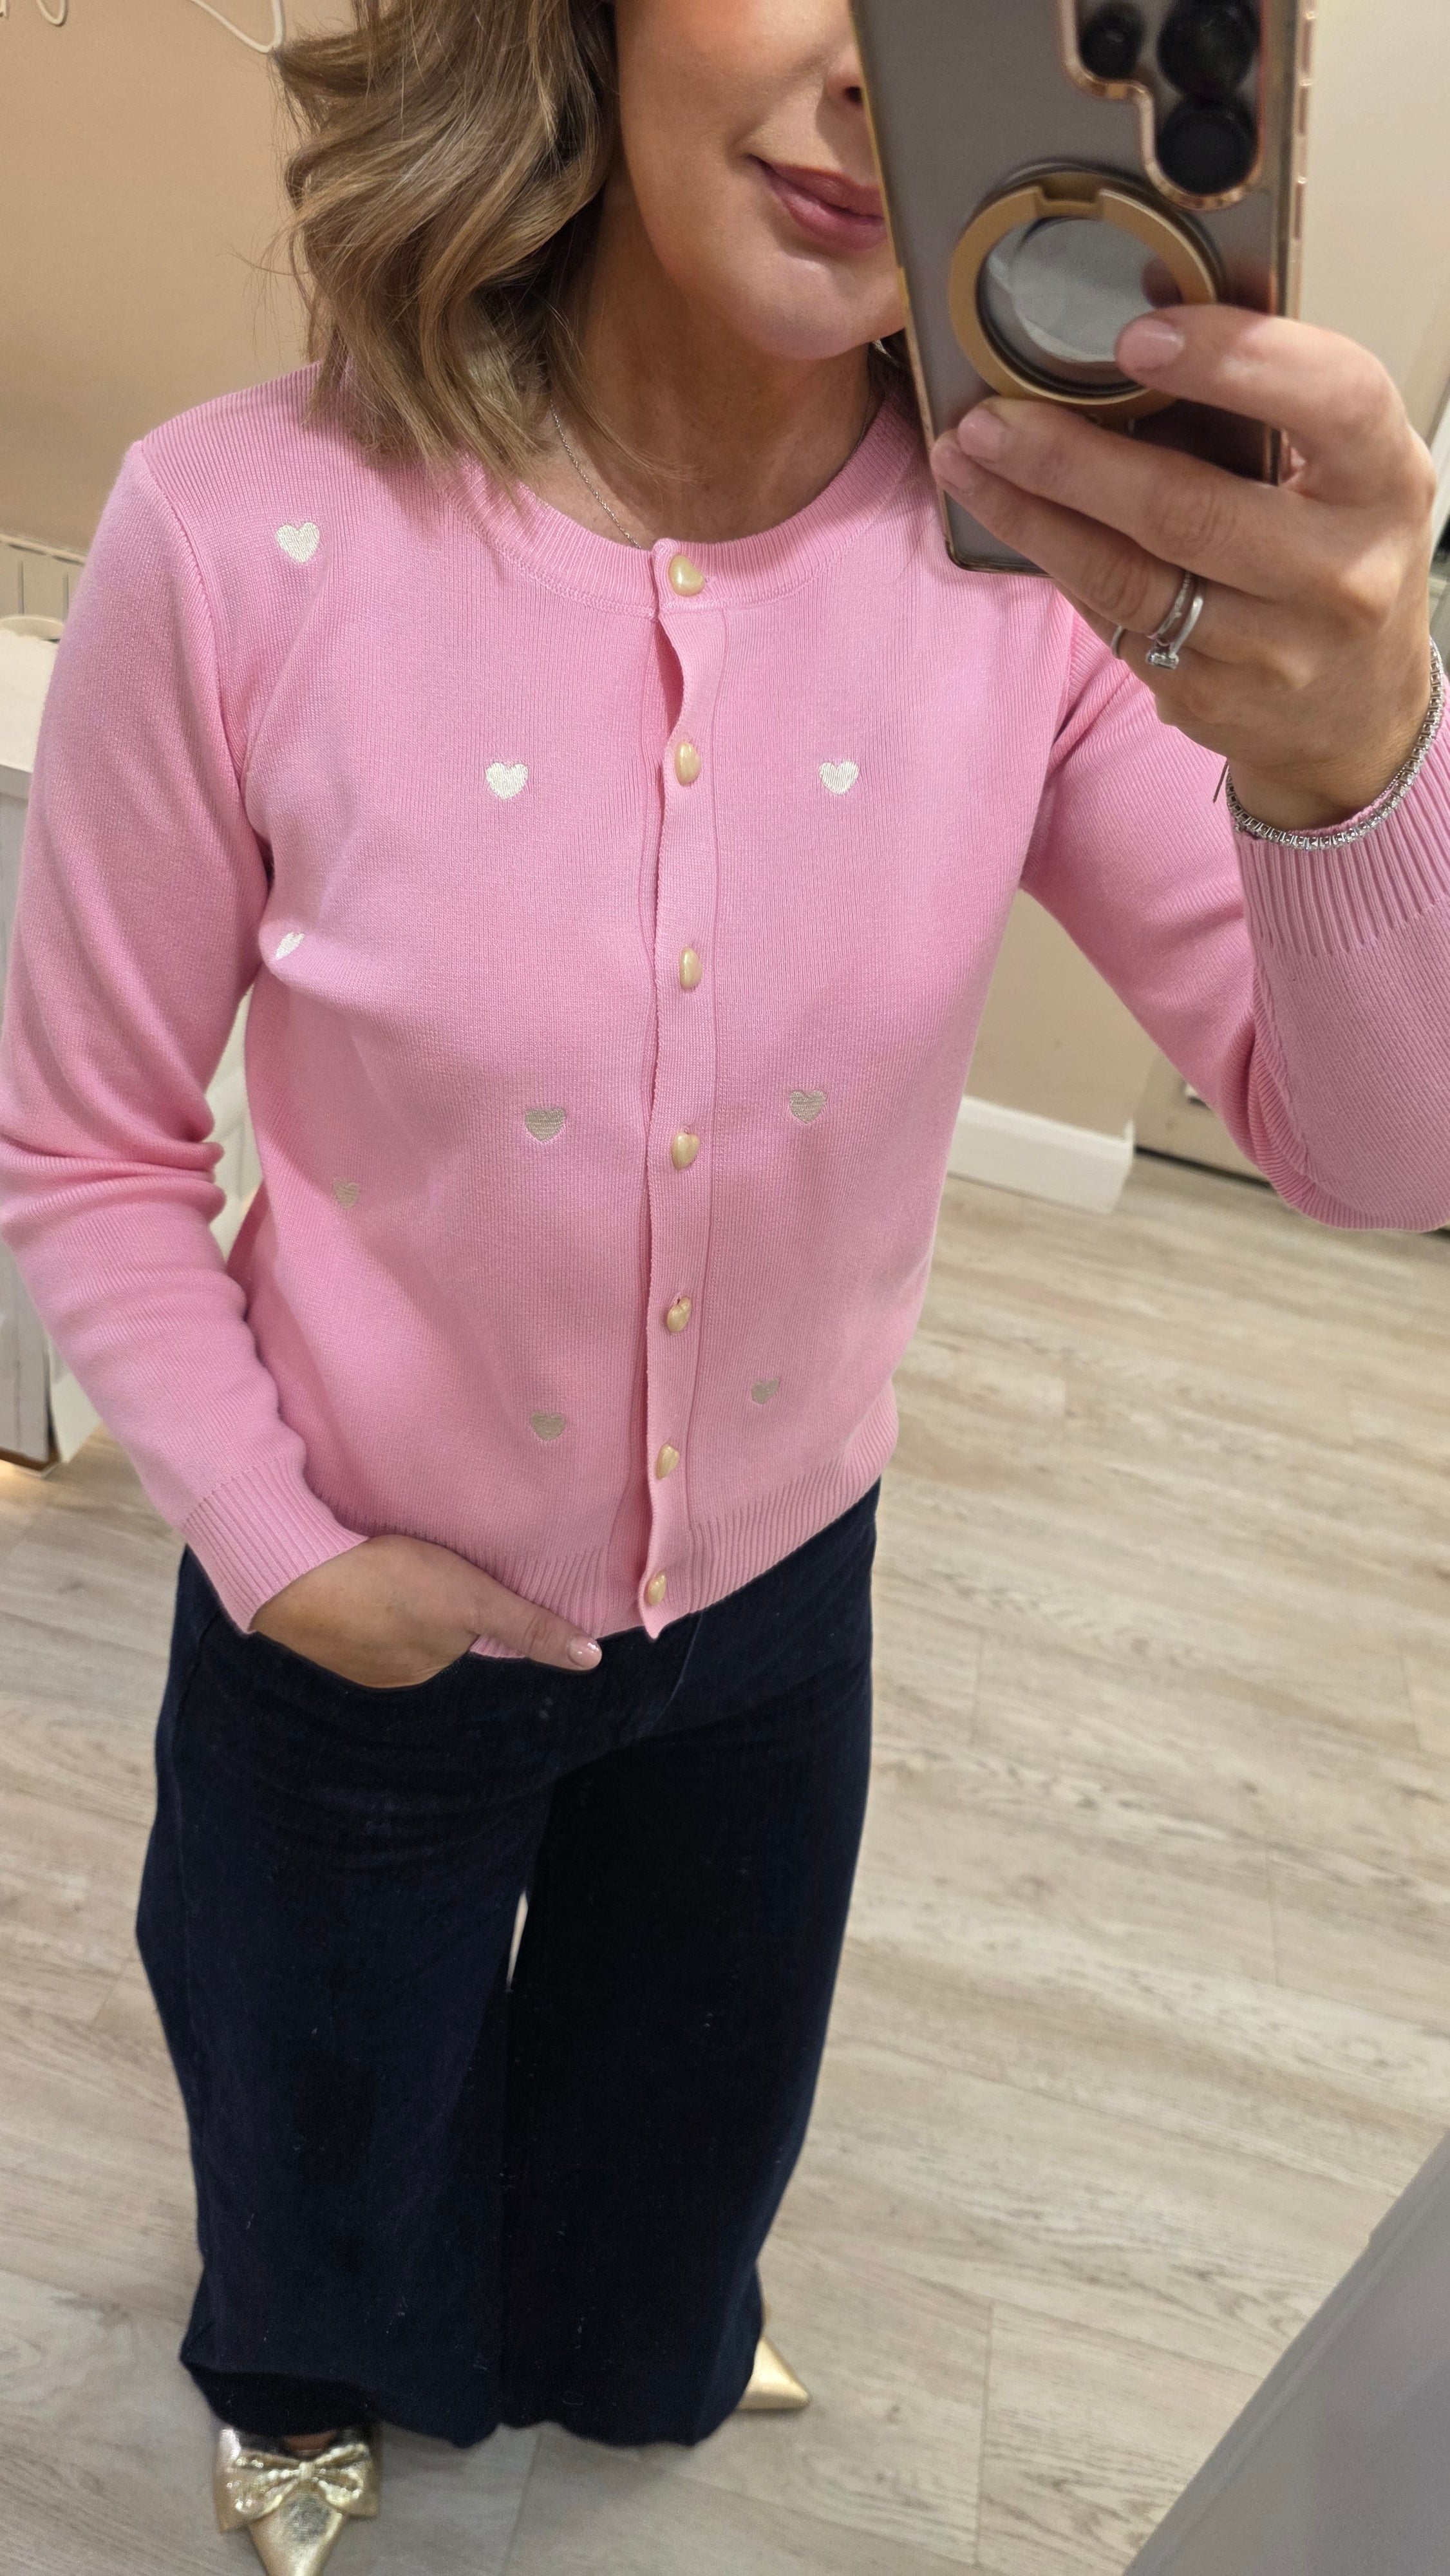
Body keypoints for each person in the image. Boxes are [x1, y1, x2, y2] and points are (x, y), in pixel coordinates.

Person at [2, 0, 1447, 2567]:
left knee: (688, 2112)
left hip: (779, 1608)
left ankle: (626, 2337)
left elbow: (1368, 1154)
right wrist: (280, 1551)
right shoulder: (239, 538)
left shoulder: (1027, 585)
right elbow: (80, 1141)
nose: (884, 68)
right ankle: (305, 2374)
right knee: (321, 2094)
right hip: (352, 1610)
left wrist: (1353, 769)